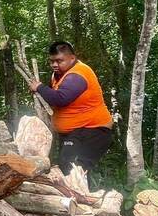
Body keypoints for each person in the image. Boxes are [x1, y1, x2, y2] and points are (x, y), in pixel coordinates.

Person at [30, 41, 113, 175]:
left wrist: (39, 87)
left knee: (71, 170)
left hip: (91, 131)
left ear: (72, 58)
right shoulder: (59, 74)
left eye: (59, 61)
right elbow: (56, 99)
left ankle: (78, 195)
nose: (54, 65)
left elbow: (61, 98)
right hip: (76, 132)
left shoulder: (78, 74)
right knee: (70, 170)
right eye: (52, 61)